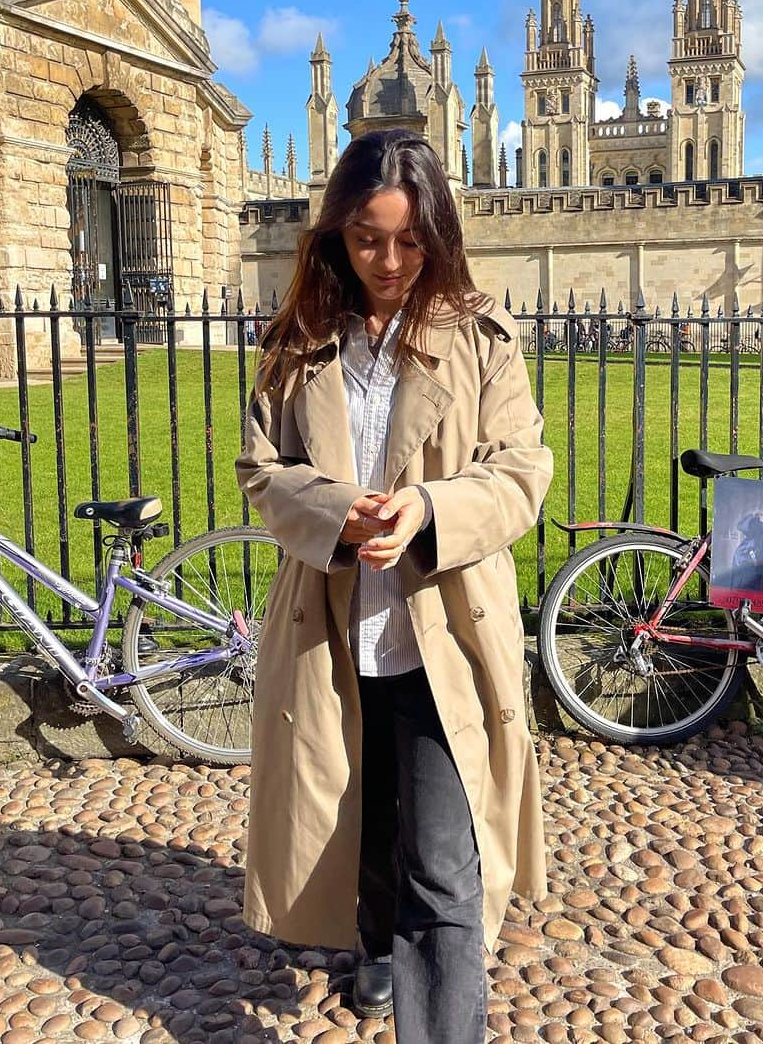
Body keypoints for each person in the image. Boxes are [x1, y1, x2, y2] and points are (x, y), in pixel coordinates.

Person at [235, 128, 554, 1044]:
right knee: (361, 820)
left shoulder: (480, 339)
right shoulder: (299, 342)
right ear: (336, 231)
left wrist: (428, 508)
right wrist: (337, 510)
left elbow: (522, 470)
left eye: (410, 240)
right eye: (368, 237)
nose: (388, 260)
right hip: (330, 628)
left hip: (440, 631)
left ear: (440, 234)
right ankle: (371, 948)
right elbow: (262, 469)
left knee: (443, 865)